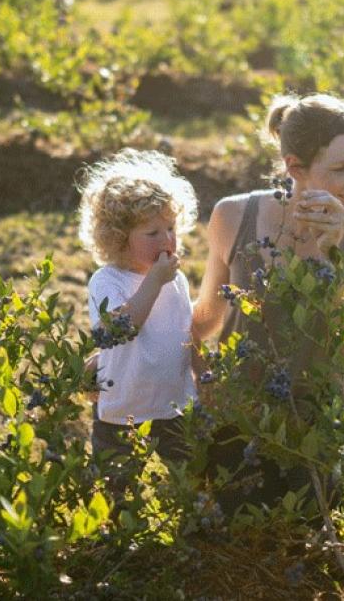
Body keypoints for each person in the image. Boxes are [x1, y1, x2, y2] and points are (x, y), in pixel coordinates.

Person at [190, 93, 344, 514]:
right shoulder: (233, 216)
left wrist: (337, 251)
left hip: (316, 417)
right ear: (294, 167)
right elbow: (207, 318)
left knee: (328, 521)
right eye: (340, 168)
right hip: (239, 417)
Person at [76, 148, 200, 478]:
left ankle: (194, 523)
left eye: (172, 228)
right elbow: (120, 329)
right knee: (114, 483)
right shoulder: (107, 281)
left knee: (193, 477)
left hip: (173, 404)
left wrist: (203, 377)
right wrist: (155, 282)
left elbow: (186, 334)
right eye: (152, 233)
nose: (168, 240)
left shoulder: (177, 281)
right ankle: (115, 525)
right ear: (118, 238)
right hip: (123, 407)